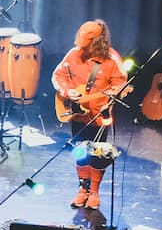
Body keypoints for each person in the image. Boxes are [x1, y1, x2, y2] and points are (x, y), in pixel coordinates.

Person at [50, 20, 128, 206]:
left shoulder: (112, 59)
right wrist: (68, 91)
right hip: (78, 114)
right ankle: (83, 189)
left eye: (86, 45)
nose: (82, 48)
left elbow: (121, 83)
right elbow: (57, 75)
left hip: (100, 117)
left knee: (98, 155)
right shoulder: (74, 54)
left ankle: (94, 192)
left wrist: (115, 93)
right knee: (80, 152)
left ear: (97, 42)